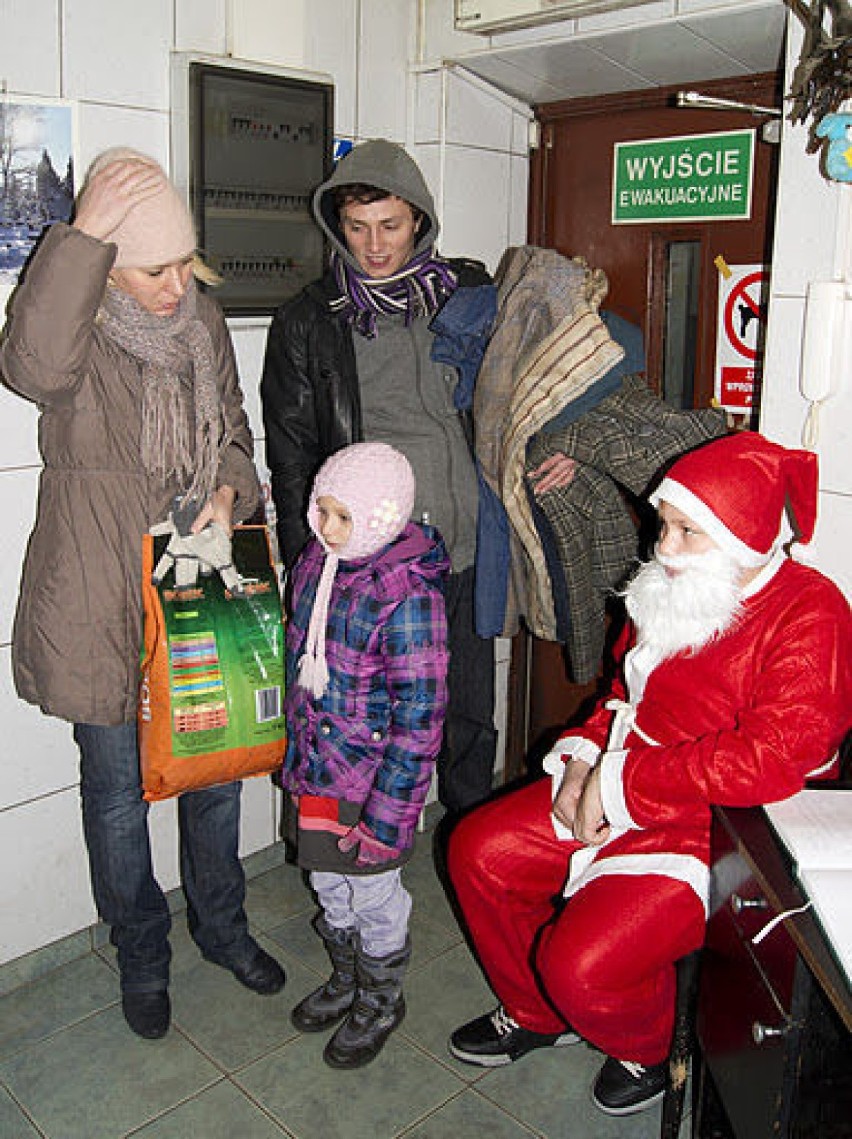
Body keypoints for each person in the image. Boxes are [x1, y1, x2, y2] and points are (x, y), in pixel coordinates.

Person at [445, 432, 851, 1115]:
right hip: (623, 773)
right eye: (665, 524)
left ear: (745, 536)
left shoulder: (811, 611)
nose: (664, 547)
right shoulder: (673, 586)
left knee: (579, 964)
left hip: (716, 824)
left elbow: (775, 757)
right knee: (478, 851)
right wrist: (579, 761)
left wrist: (618, 781)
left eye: (689, 531)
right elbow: (619, 696)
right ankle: (537, 1011)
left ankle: (654, 1045)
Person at [1, 148, 285, 1041]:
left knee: (218, 776)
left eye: (183, 264)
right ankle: (142, 954)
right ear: (106, 266)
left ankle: (223, 927)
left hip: (198, 577)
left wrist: (232, 489)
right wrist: (81, 236)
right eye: (153, 268)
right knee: (116, 793)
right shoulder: (78, 333)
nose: (176, 287)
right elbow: (29, 366)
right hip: (97, 591)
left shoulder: (201, 327)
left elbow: (237, 433)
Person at [261, 138, 495, 813]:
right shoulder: (309, 319)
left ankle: (470, 853)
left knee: (469, 719)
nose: (374, 245)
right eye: (357, 228)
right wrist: (309, 573)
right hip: (374, 564)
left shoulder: (468, 296)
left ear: (418, 219)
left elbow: (521, 391)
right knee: (361, 726)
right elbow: (293, 454)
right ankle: (355, 887)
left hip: (464, 543)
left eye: (390, 225)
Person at [282, 441, 449, 1068]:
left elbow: (419, 717)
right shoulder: (316, 565)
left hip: (373, 784)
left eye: (341, 517)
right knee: (328, 880)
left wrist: (389, 816)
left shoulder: (407, 594)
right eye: (320, 511)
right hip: (320, 772)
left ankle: (381, 997)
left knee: (373, 894)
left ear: (380, 518)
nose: (324, 528)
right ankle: (348, 979)